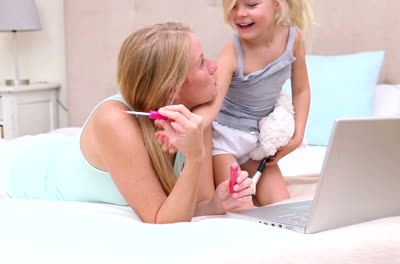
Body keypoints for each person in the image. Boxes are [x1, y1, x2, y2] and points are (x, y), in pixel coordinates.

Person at [0, 22, 253, 224]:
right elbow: (160, 220)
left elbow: (197, 205)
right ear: (172, 90)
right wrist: (195, 157)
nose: (214, 66)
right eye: (201, 62)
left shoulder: (195, 116)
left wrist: (217, 203)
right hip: (31, 175)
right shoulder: (115, 121)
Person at [194, 0, 313, 208]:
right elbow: (212, 105)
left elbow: (301, 90)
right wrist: (190, 125)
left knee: (280, 206)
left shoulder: (293, 39)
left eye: (251, 4)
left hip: (257, 144)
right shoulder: (233, 51)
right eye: (233, 6)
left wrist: (298, 136)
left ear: (277, 4)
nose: (240, 13)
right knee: (243, 209)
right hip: (224, 141)